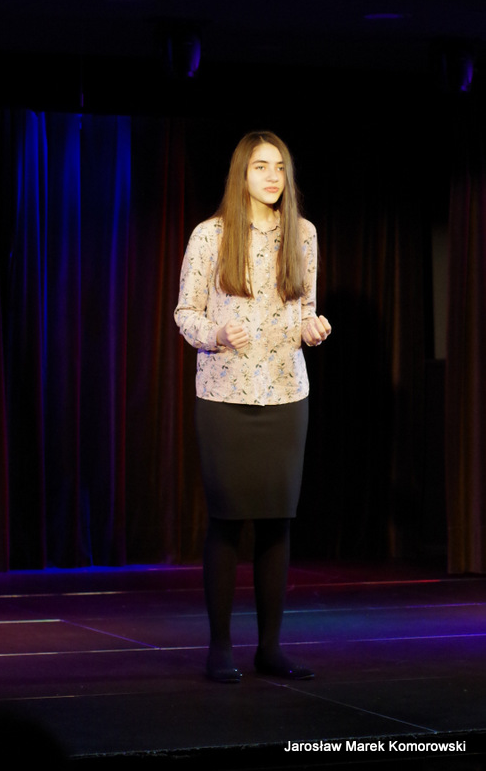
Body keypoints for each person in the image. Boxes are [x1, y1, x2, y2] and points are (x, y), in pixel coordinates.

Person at [174, 131, 331, 682]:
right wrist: (217, 334)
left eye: (280, 167)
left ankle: (270, 648)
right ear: (241, 173)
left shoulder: (303, 234)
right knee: (226, 521)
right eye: (261, 166)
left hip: (286, 393)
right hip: (225, 395)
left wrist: (312, 328)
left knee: (276, 522)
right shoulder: (211, 235)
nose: (272, 177)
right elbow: (185, 313)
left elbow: (304, 309)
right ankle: (220, 648)